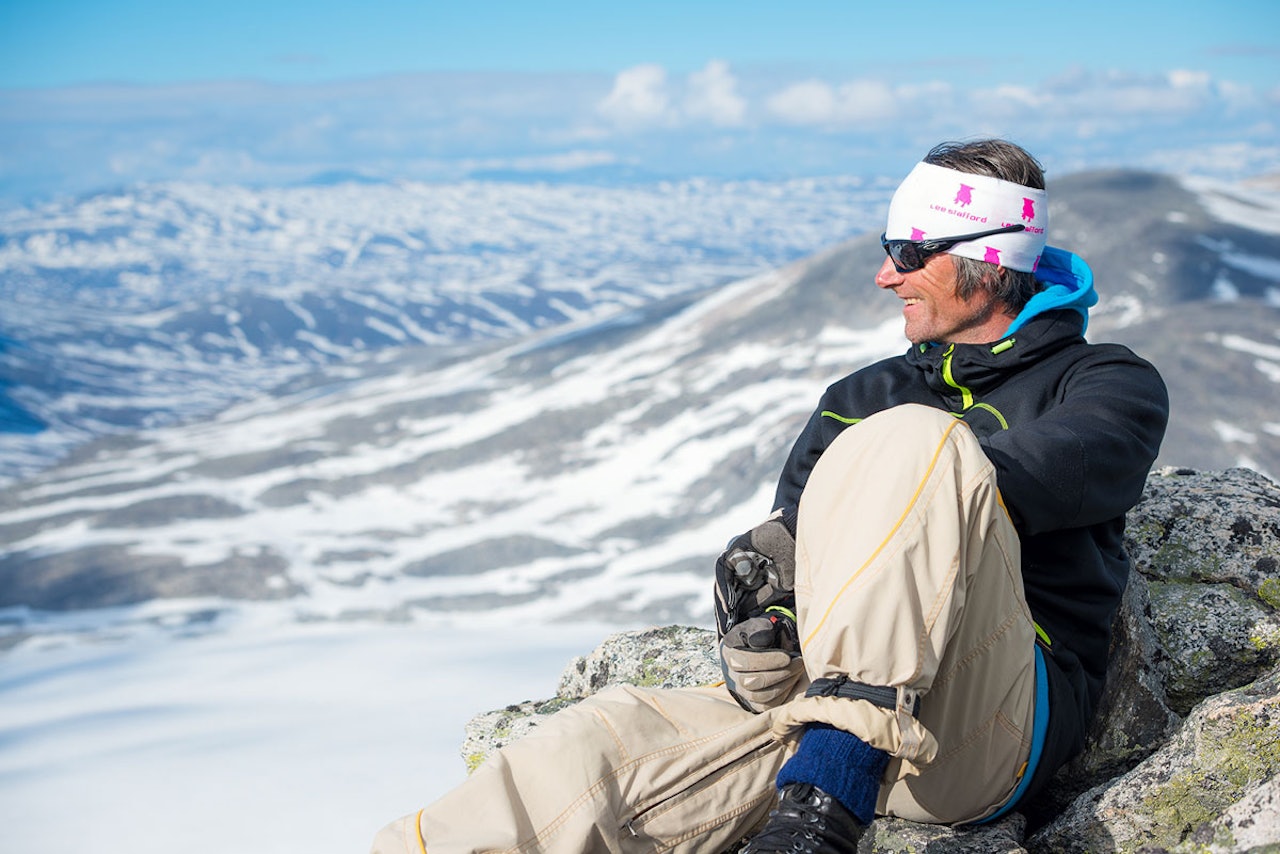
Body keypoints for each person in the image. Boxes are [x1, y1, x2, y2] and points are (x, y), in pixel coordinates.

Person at [370, 139, 1169, 854]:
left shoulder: (1105, 385)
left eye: (910, 251)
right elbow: (799, 557)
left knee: (916, 442)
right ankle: (824, 781)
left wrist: (884, 496)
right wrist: (765, 620)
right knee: (593, 748)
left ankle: (825, 799)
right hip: (829, 723)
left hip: (981, 734)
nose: (885, 274)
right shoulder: (860, 394)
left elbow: (1019, 478)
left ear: (989, 258)